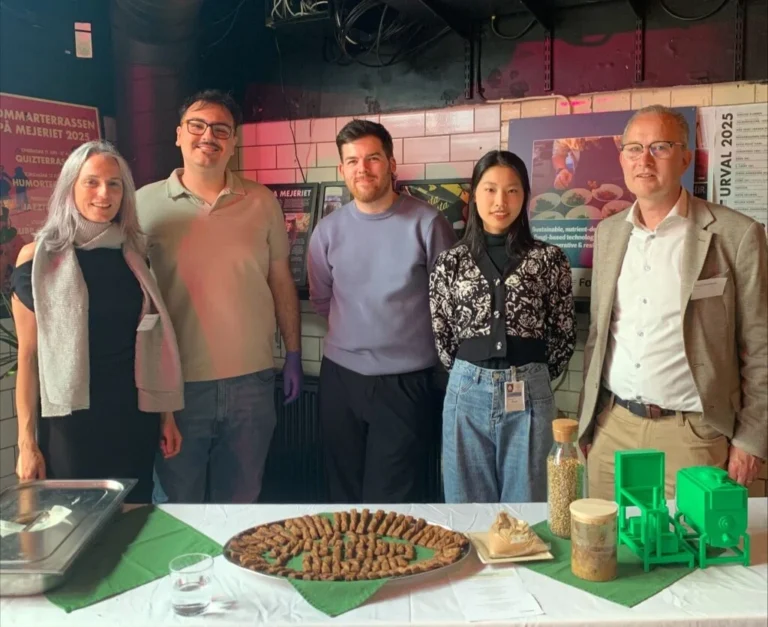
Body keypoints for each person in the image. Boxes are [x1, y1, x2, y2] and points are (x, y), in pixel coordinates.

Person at [578, 105, 768, 499]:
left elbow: (760, 345)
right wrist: (588, 422)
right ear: (622, 158)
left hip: (693, 437)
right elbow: (600, 336)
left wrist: (751, 438)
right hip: (613, 429)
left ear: (685, 158)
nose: (644, 160)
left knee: (690, 540)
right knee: (603, 537)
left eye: (660, 147)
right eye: (634, 148)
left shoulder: (737, 235)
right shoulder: (609, 233)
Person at [136, 89, 301, 504]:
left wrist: (294, 353)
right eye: (197, 125)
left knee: (241, 503)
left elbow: (281, 280)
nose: (208, 135)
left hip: (252, 384)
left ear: (233, 142)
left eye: (221, 129)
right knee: (178, 505)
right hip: (177, 388)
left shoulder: (262, 202)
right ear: (178, 134)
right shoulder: (143, 205)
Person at [11, 141, 184, 503]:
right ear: (70, 187)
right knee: (72, 517)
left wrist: (165, 416)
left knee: (134, 515)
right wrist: (26, 443)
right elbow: (27, 357)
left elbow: (148, 345)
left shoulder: (133, 257)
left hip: (133, 415)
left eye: (114, 184)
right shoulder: (37, 260)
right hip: (70, 422)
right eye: (91, 182)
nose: (104, 193)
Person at [308, 119, 456, 503]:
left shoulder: (428, 223)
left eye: (372, 158)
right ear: (342, 170)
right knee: (342, 494)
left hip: (407, 385)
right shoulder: (327, 231)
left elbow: (448, 304)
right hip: (341, 380)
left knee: (392, 500)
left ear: (391, 163)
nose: (363, 169)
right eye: (352, 161)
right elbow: (322, 299)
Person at [430, 150, 576, 503]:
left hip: (529, 392)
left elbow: (563, 332)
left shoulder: (549, 259)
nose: (500, 201)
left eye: (512, 190)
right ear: (474, 194)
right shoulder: (450, 262)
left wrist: (531, 374)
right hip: (467, 392)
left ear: (524, 196)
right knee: (467, 509)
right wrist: (473, 372)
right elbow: (443, 333)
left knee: (529, 506)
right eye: (490, 189)